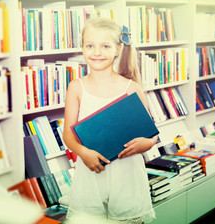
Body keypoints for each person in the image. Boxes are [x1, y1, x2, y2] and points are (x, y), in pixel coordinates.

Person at [62, 17, 157, 223]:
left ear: (117, 50)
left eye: (105, 46)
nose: (97, 52)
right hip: (90, 172)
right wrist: (84, 153)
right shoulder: (76, 87)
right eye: (90, 45)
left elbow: (151, 135)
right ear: (82, 48)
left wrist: (145, 144)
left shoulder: (131, 88)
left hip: (127, 175)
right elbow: (68, 136)